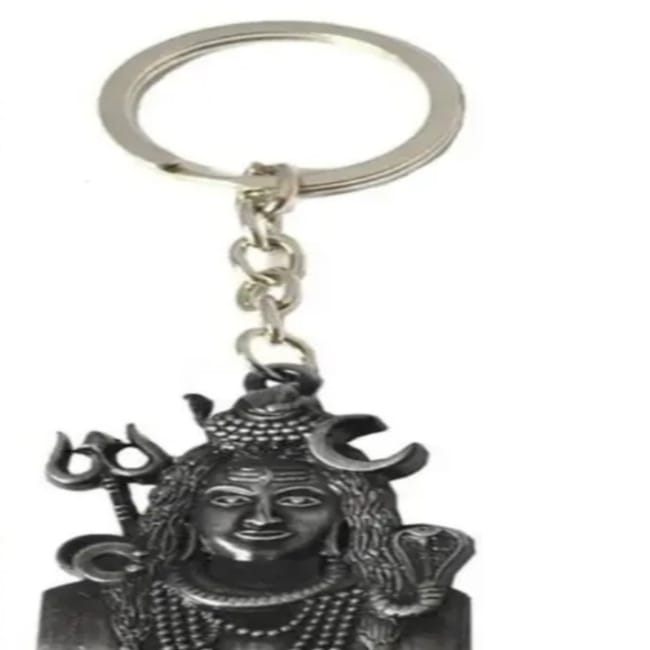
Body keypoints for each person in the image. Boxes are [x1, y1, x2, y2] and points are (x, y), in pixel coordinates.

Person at [40, 366, 473, 650]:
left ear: (348, 514)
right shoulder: (87, 608)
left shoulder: (420, 612)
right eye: (229, 499)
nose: (263, 517)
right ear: (186, 512)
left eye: (299, 500)